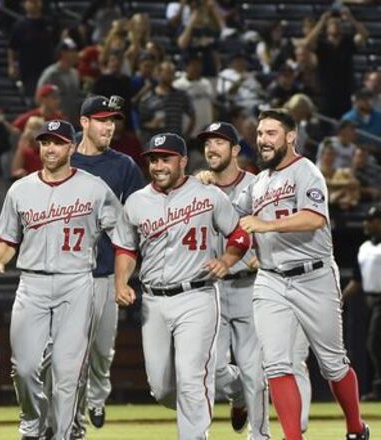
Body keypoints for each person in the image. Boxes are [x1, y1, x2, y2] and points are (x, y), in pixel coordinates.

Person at [233, 109, 370, 440]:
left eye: (271, 133)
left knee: (333, 363)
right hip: (271, 279)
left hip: (314, 276)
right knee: (276, 363)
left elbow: (314, 219)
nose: (263, 140)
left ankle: (355, 427)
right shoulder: (259, 182)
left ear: (291, 136)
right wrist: (207, 184)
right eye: (260, 134)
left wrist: (265, 225)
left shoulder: (307, 171)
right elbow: (230, 214)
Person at [0, 119, 123, 439]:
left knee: (67, 372)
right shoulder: (20, 189)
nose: (50, 148)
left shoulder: (94, 187)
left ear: (71, 147)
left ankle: (63, 434)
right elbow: (8, 240)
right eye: (45, 142)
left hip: (76, 282)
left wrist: (121, 277)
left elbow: (124, 236)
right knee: (24, 368)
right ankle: (32, 423)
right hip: (31, 283)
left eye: (58, 142)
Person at [114, 132, 251, 440]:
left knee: (191, 379)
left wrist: (227, 260)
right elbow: (125, 249)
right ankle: (239, 388)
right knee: (162, 389)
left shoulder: (209, 194)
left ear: (183, 161)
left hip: (197, 296)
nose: (158, 165)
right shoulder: (136, 202)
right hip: (153, 301)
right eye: (153, 159)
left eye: (166, 158)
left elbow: (240, 235)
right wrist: (120, 282)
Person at [68, 95, 144, 433]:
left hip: (105, 271)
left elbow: (142, 209)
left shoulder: (124, 165)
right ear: (84, 122)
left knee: (100, 350)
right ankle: (73, 421)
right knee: (72, 353)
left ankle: (97, 397)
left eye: (112, 120)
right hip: (69, 272)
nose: (109, 126)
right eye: (101, 120)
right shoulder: (63, 156)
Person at [196, 122, 270, 439]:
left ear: (235, 150)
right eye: (207, 143)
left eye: (219, 142)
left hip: (249, 286)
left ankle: (260, 435)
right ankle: (238, 394)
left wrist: (264, 255)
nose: (211, 148)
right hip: (210, 288)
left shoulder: (258, 185)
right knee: (210, 367)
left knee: (255, 370)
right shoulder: (197, 188)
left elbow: (274, 226)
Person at [344, 205, 381, 402]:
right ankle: (378, 388)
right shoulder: (365, 248)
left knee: (374, 343)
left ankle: (378, 388)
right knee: (373, 345)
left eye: (371, 220)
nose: (366, 223)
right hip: (370, 301)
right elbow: (357, 280)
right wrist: (341, 299)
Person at [36, 38, 82, 124]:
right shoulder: (51, 73)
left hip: (72, 121)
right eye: (72, 51)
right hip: (53, 122)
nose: (76, 54)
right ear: (63, 53)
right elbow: (39, 98)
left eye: (76, 51)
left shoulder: (75, 73)